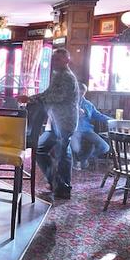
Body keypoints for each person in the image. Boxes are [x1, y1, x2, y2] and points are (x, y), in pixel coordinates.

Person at [17, 48, 79, 200]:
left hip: (64, 122)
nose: (55, 62)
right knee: (45, 150)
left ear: (67, 61)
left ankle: (62, 187)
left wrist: (30, 99)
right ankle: (57, 183)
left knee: (62, 154)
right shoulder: (59, 76)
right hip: (58, 122)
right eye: (54, 59)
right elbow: (48, 95)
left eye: (58, 59)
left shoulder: (66, 77)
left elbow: (53, 97)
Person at [71, 83, 111, 169]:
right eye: (79, 92)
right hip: (73, 130)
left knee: (105, 147)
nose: (80, 94)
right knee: (75, 148)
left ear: (85, 92)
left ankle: (83, 159)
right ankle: (76, 161)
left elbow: (98, 115)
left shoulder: (88, 104)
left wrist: (112, 121)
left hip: (87, 130)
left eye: (83, 92)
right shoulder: (68, 103)